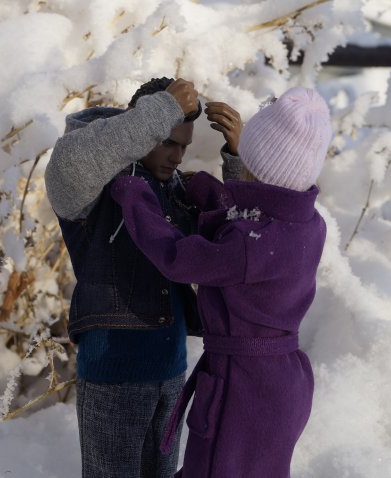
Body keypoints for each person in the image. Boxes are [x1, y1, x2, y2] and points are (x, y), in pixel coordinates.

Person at [109, 87, 332, 477]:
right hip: (284, 382)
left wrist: (136, 200)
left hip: (242, 388)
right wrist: (214, 196)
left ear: (255, 164)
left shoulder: (249, 244)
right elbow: (253, 232)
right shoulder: (309, 224)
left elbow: (178, 258)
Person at [44, 77, 243, 477]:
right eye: (167, 141)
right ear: (143, 122)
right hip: (112, 379)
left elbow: (237, 238)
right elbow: (68, 166)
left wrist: (237, 158)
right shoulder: (97, 191)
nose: (176, 156)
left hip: (171, 377)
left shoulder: (176, 191)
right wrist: (160, 111)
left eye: (183, 147)